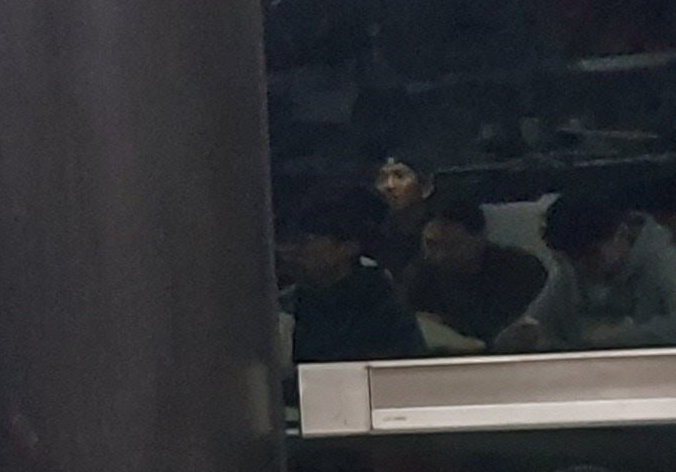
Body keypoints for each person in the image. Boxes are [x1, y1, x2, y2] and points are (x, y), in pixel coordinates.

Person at [494, 190, 676, 352]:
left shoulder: (665, 260)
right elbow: (535, 322)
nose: (582, 266)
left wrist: (625, 338)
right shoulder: (571, 271)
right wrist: (514, 339)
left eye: (592, 254)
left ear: (621, 233)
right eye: (572, 258)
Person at [278, 186, 420, 363]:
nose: (293, 250)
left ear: (349, 247)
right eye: (292, 240)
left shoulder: (382, 302)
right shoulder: (290, 303)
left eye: (307, 240)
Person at [403, 194, 547, 354]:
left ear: (479, 239)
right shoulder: (422, 272)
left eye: (452, 245)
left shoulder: (520, 269)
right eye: (431, 244)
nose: (440, 255)